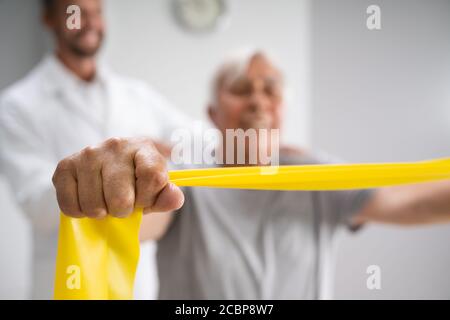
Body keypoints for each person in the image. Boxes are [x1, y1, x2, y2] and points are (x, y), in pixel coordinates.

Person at [50, 51, 450, 299]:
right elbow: (139, 217)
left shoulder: (321, 175)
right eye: (241, 89)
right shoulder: (183, 176)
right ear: (212, 113)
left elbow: (414, 203)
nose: (258, 98)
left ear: (282, 110)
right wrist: (116, 186)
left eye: (270, 90)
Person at [0, 0, 187, 299]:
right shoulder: (16, 105)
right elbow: (35, 203)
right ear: (49, 19)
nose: (90, 22)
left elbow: (199, 140)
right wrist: (105, 177)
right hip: (66, 280)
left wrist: (165, 154)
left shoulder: (136, 95)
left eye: (97, 12)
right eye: (76, 12)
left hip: (137, 284)